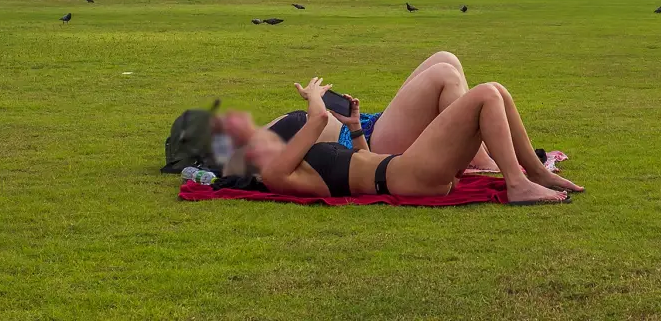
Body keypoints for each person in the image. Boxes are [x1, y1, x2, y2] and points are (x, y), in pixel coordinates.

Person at [220, 78, 581, 205]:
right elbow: (316, 119)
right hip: (409, 174)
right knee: (486, 94)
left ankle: (535, 174)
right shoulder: (276, 175)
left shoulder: (298, 166)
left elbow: (362, 162)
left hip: (406, 172)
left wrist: (356, 127)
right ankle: (517, 184)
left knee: (497, 92)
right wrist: (313, 94)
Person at [223, 52, 498, 175]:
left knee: (446, 58)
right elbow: (318, 124)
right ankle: (482, 160)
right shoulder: (260, 156)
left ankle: (482, 150)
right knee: (444, 75)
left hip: (365, 123)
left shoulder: (266, 131)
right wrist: (316, 100)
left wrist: (346, 115)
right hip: (370, 144)